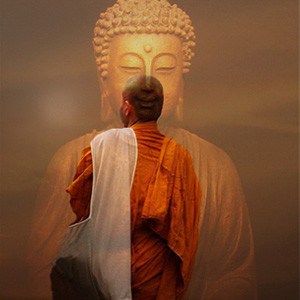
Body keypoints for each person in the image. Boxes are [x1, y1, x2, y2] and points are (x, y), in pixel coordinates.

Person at [27, 0, 257, 299]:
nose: (148, 81)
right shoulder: (72, 160)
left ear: (182, 81)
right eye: (130, 67)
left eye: (165, 67)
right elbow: (41, 274)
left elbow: (235, 275)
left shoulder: (214, 166)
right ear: (104, 81)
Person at [51, 75, 201, 299]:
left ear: (127, 107)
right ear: (159, 108)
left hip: (106, 267)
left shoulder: (101, 147)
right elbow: (185, 226)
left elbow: (81, 205)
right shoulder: (180, 158)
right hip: (155, 275)